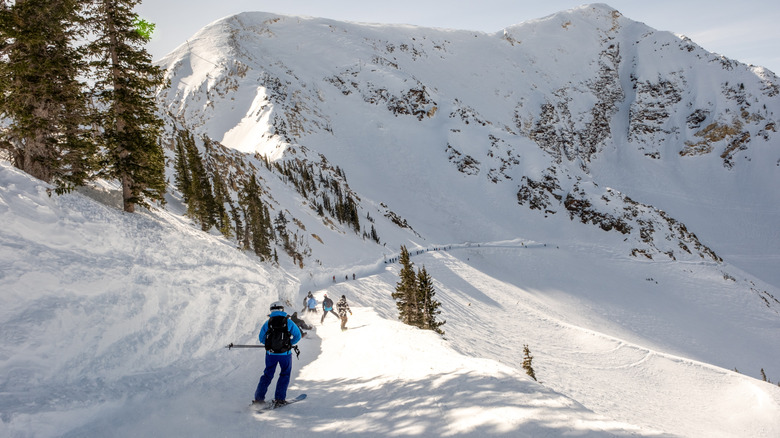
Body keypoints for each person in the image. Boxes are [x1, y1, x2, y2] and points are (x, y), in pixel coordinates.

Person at [253, 301, 302, 408]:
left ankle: (258, 399)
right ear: (282, 309)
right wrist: (289, 344)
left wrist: (270, 345)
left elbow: (261, 338)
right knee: (285, 374)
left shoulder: (268, 322)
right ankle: (279, 399)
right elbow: (298, 336)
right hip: (285, 354)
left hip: (271, 354)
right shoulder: (288, 322)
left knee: (267, 375)